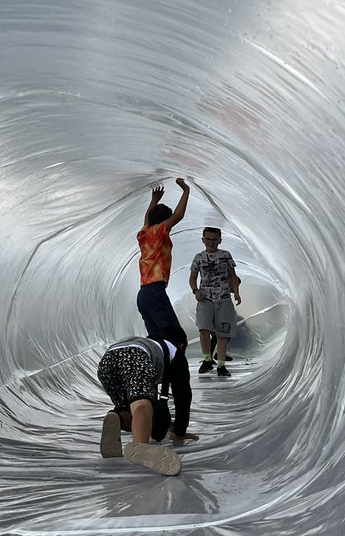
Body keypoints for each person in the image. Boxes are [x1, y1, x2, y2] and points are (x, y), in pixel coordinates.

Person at [97, 325, 197, 475]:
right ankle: (140, 448)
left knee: (130, 409)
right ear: (182, 346)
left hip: (107, 361)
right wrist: (179, 431)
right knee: (142, 406)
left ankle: (117, 417)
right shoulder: (176, 353)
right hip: (135, 355)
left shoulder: (149, 344)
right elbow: (183, 395)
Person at [135, 178, 190, 335]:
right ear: (164, 222)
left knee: (156, 337)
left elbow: (147, 219)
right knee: (175, 336)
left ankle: (156, 359)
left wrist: (154, 200)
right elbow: (178, 216)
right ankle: (174, 360)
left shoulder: (143, 234)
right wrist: (186, 190)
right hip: (155, 291)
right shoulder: (159, 232)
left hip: (143, 295)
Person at [189, 227, 241, 377]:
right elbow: (192, 278)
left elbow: (233, 276)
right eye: (208, 239)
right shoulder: (199, 257)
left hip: (223, 298)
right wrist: (195, 291)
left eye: (214, 240)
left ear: (220, 240)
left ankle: (221, 365)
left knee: (222, 333)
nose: (211, 243)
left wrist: (236, 292)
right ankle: (206, 360)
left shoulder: (225, 255)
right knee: (203, 329)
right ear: (203, 240)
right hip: (205, 298)